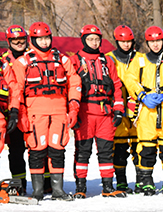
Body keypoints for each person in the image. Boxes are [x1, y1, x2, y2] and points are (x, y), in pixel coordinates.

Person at [9, 21, 82, 201]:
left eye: (46, 38)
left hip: (59, 110)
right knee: (37, 149)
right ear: (33, 39)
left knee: (57, 148)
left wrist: (73, 107)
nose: (44, 42)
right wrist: (17, 112)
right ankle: (37, 191)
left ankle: (58, 190)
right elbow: (16, 89)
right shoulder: (23, 62)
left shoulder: (62, 59)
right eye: (40, 39)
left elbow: (74, 82)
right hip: (35, 111)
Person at [122, 26, 163, 195]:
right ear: (147, 43)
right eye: (152, 42)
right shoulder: (140, 60)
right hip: (147, 111)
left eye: (158, 41)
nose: (156, 45)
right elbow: (130, 79)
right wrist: (142, 96)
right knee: (146, 149)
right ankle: (147, 182)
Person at [71, 25, 125, 198]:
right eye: (90, 39)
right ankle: (80, 187)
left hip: (104, 113)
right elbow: (69, 87)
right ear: (83, 40)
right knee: (82, 151)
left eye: (96, 39)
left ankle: (108, 186)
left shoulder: (107, 61)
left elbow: (116, 85)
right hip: (84, 112)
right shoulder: (75, 60)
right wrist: (73, 113)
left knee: (106, 151)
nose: (94, 43)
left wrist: (118, 109)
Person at [107, 25, 139, 194]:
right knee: (119, 149)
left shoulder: (140, 58)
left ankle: (142, 181)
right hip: (117, 109)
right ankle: (121, 182)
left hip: (138, 110)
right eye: (122, 41)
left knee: (139, 148)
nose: (126, 45)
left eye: (128, 42)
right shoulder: (109, 58)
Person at [2, 25, 29, 194]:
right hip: (11, 109)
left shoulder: (33, 57)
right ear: (9, 41)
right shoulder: (4, 60)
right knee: (16, 150)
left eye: (22, 40)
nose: (19, 43)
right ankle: (19, 183)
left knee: (40, 150)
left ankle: (47, 183)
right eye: (15, 41)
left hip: (32, 108)